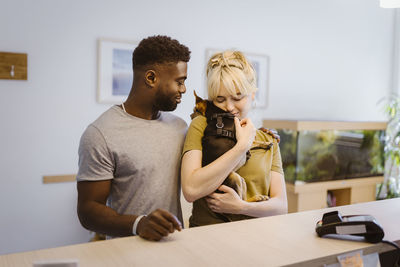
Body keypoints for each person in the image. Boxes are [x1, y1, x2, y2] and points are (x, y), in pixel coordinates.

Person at [76, 35, 191, 241]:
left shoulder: (180, 127)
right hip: (126, 253)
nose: (183, 89)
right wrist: (139, 224)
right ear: (151, 78)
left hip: (175, 247)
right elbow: (88, 211)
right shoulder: (100, 134)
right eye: (179, 81)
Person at [181, 51, 288, 227]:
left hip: (256, 236)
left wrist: (241, 207)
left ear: (253, 95)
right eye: (220, 99)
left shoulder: (267, 140)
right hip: (207, 236)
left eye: (237, 97)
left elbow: (282, 207)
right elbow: (191, 189)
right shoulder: (202, 125)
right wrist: (242, 147)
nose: (229, 107)